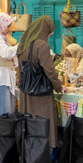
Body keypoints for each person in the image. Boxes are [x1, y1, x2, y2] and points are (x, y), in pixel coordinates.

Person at [15, 14, 62, 146]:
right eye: (49, 32)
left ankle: (29, 149)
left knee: (29, 124)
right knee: (43, 125)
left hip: (25, 91)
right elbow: (49, 71)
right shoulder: (41, 46)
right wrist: (58, 86)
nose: (49, 35)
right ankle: (45, 150)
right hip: (40, 95)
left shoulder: (22, 45)